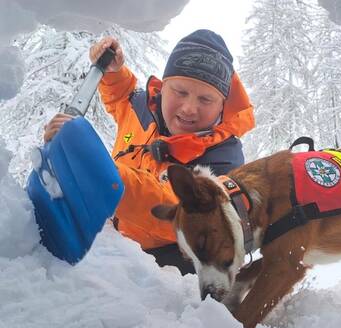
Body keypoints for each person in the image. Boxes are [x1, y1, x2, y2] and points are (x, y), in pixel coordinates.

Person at [44, 29, 255, 275]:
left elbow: (183, 212)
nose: (189, 108)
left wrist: (100, 171)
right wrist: (113, 72)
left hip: (165, 269)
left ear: (222, 105)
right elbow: (122, 97)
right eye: (180, 91)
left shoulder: (223, 159)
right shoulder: (143, 110)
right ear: (163, 88)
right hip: (111, 238)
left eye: (205, 100)